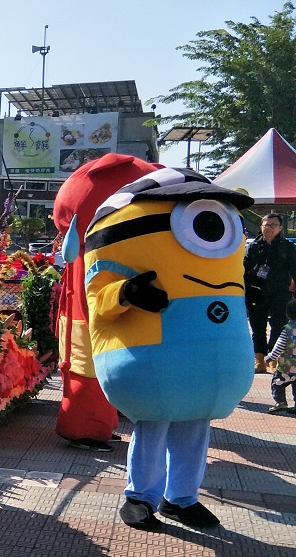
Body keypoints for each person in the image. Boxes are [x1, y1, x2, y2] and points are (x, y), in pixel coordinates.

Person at [83, 169, 254, 532]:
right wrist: (126, 292)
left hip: (209, 361)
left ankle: (181, 498)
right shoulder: (123, 227)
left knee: (196, 427)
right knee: (154, 424)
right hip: (155, 360)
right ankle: (140, 496)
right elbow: (98, 299)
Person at [52, 154, 163, 451]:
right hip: (88, 314)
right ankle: (85, 428)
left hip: (89, 310)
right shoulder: (94, 248)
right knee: (88, 366)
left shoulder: (87, 247)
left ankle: (98, 423)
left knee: (98, 367)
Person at [245, 213, 296, 372]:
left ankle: (273, 360)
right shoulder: (253, 246)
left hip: (280, 292)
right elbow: (244, 269)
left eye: (273, 225)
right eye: (266, 224)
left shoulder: (287, 247)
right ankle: (259, 359)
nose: (269, 227)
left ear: (280, 228)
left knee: (278, 324)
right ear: (261, 226)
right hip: (257, 292)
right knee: (257, 326)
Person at [264, 299, 296, 413]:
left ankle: (281, 402)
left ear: (288, 314)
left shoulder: (287, 329)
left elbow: (279, 347)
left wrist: (269, 358)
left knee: (277, 383)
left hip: (286, 367)